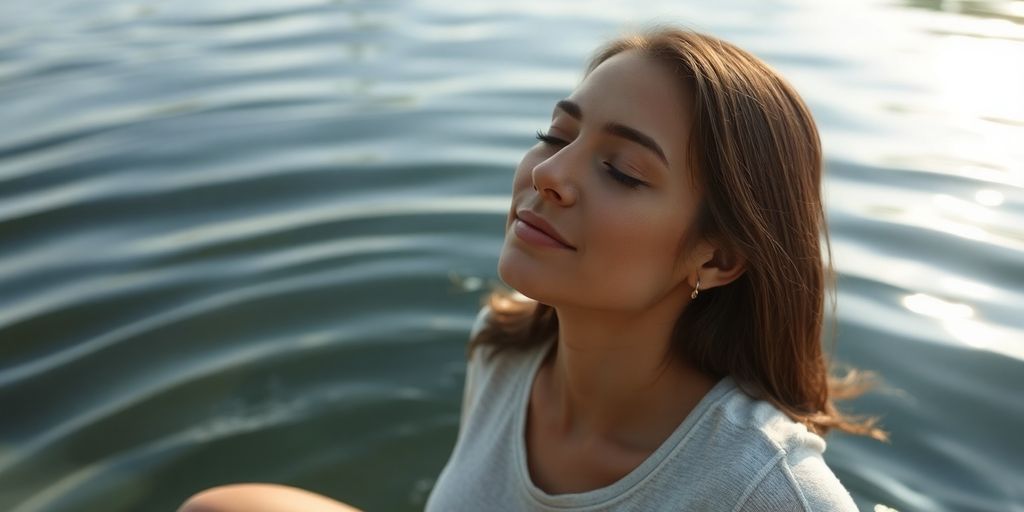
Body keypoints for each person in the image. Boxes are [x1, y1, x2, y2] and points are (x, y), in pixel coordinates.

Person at [178, 24, 886, 512]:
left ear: (719, 256)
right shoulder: (503, 348)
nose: (548, 174)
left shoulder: (765, 490)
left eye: (621, 170)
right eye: (556, 134)